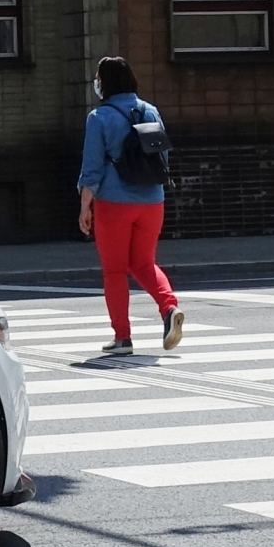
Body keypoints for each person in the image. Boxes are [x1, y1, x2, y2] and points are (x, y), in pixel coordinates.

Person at [77, 55, 185, 356]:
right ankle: (169, 307)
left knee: (114, 271)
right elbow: (163, 156)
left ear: (105, 82)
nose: (96, 83)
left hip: (114, 201)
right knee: (144, 262)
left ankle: (122, 338)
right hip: (152, 200)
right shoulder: (150, 110)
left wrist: (85, 205)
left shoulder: (99, 117)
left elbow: (92, 167)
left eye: (98, 78)